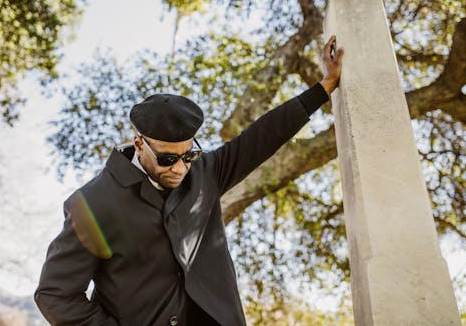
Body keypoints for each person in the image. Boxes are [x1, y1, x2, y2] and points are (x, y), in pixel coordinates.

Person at [35, 35, 344, 326]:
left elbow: (263, 136)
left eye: (188, 156)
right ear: (139, 144)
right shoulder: (92, 203)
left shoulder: (206, 172)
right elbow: (55, 294)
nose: (180, 168)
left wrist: (324, 85)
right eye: (168, 159)